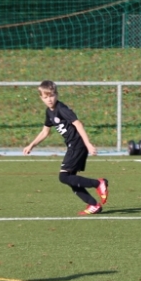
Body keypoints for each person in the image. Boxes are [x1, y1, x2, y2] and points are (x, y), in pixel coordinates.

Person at [23, 80, 108, 215]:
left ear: (56, 94)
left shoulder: (62, 109)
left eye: (51, 95)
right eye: (45, 97)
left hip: (77, 144)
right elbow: (45, 132)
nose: (49, 99)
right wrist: (31, 145)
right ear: (41, 98)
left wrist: (88, 144)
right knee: (70, 179)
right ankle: (93, 205)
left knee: (63, 177)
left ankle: (98, 183)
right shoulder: (49, 112)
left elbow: (78, 124)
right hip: (72, 145)